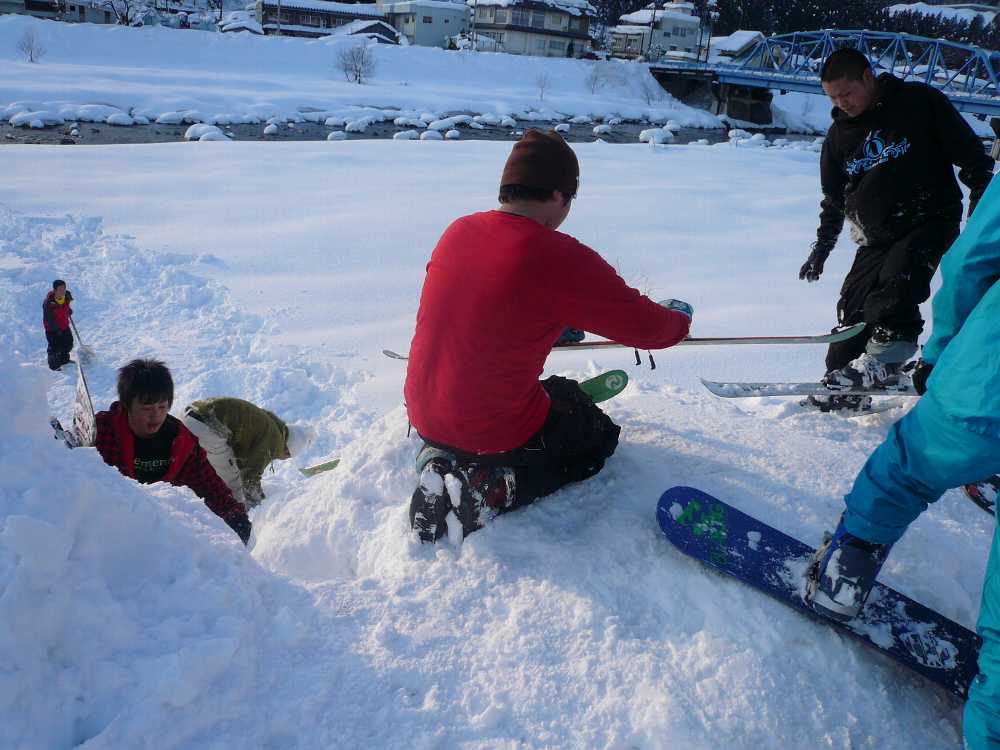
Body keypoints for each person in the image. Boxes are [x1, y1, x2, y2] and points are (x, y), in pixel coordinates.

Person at [404, 129, 693, 544]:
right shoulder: (558, 255)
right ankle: (488, 488)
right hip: (488, 430)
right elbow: (649, 329)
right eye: (570, 199)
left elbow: (489, 305)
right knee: (594, 434)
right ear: (559, 194)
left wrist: (552, 322)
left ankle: (438, 457)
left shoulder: (459, 231)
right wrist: (679, 319)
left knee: (558, 392)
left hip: (424, 412)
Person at [805, 175, 1000, 748]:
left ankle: (844, 578)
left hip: (986, 388)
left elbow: (970, 263)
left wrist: (940, 355)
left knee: (903, 470)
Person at [799, 48, 994, 412]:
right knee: (853, 311)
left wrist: (978, 220)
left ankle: (888, 359)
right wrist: (821, 248)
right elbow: (834, 199)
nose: (842, 104)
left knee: (896, 285)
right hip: (876, 236)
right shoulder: (838, 136)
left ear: (868, 76)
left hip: (930, 219)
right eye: (833, 99)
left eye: (847, 93)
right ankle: (846, 387)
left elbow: (974, 161)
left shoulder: (918, 102)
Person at [95, 359, 253, 546]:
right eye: (146, 408)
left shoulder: (180, 442)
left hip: (157, 535)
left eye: (162, 407)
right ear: (127, 405)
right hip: (106, 529)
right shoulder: (103, 432)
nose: (155, 416)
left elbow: (208, 483)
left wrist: (236, 517)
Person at [182, 397, 314, 508]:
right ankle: (236, 519)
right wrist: (260, 505)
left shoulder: (270, 425)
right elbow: (250, 477)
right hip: (207, 425)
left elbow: (240, 457)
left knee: (201, 467)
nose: (282, 459)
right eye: (287, 456)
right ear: (288, 450)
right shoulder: (274, 440)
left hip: (191, 415)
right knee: (233, 485)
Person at [42, 279, 74, 371]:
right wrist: (56, 330)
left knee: (68, 344)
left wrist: (68, 311)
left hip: (64, 325)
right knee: (55, 347)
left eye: (64, 288)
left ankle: (64, 360)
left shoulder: (66, 296)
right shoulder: (48, 303)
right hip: (52, 329)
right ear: (55, 290)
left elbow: (65, 306)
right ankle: (54, 366)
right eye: (60, 289)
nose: (63, 291)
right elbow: (49, 319)